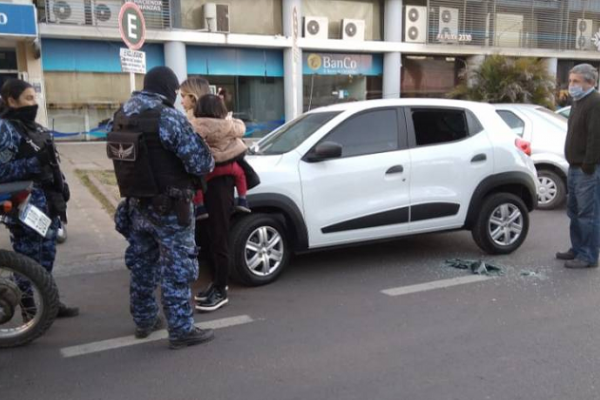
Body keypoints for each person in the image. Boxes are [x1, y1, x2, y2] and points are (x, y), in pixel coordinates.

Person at [109, 67, 215, 349]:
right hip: (169, 208)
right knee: (177, 268)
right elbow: (202, 163)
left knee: (142, 264)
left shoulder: (121, 115)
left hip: (135, 205)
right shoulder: (167, 117)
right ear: (168, 89)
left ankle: (145, 320)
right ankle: (181, 329)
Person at [0, 78, 78, 319]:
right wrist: (35, 162)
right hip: (26, 204)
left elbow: (50, 160)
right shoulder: (6, 129)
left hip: (48, 202)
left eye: (35, 98)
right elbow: (2, 170)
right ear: (12, 101)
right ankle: (28, 308)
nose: (33, 103)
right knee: (27, 260)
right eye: (28, 99)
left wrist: (60, 183)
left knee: (47, 255)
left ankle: (48, 301)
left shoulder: (34, 128)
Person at [556, 63, 600, 269]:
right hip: (574, 166)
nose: (571, 85)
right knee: (574, 212)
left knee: (587, 215)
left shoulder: (595, 102)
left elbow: (595, 137)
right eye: (571, 80)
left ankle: (588, 255)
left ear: (589, 82)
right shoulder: (578, 101)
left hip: (586, 169)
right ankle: (577, 248)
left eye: (576, 81)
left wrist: (588, 165)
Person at [191, 94, 250, 220]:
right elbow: (241, 129)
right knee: (241, 175)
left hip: (209, 169)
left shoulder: (195, 125)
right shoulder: (228, 125)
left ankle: (200, 207)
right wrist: (232, 119)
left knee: (197, 182)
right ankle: (242, 200)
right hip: (230, 166)